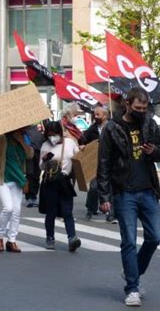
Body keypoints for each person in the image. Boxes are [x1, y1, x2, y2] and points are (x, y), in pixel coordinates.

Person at [97, 87, 160, 307]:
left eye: (144, 108)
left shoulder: (150, 124)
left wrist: (153, 151)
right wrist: (105, 196)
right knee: (128, 241)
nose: (141, 111)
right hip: (124, 192)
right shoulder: (112, 128)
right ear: (127, 104)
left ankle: (131, 271)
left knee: (154, 237)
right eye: (137, 108)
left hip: (148, 190)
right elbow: (104, 163)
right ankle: (132, 288)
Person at [0, 128, 34, 253]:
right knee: (8, 208)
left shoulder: (24, 138)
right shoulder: (2, 138)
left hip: (17, 179)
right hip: (2, 179)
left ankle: (11, 240)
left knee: (16, 211)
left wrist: (22, 141)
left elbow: (30, 154)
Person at [39, 121, 82, 252]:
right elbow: (40, 166)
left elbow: (78, 156)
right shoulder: (45, 146)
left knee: (67, 211)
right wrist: (45, 160)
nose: (53, 137)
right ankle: (50, 238)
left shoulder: (69, 143)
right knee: (51, 212)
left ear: (60, 133)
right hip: (50, 182)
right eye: (50, 135)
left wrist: (83, 150)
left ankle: (72, 238)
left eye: (55, 134)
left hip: (64, 180)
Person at [83, 106, 115, 223]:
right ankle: (91, 209)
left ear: (105, 115)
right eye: (94, 115)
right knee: (94, 187)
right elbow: (83, 140)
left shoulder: (113, 127)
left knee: (111, 188)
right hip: (96, 163)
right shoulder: (91, 129)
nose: (95, 117)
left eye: (98, 115)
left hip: (111, 163)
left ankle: (111, 213)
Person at [24, 124, 44, 208]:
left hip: (40, 149)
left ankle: (34, 195)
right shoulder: (26, 121)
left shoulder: (44, 121)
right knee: (30, 174)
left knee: (37, 174)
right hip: (29, 149)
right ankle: (29, 197)